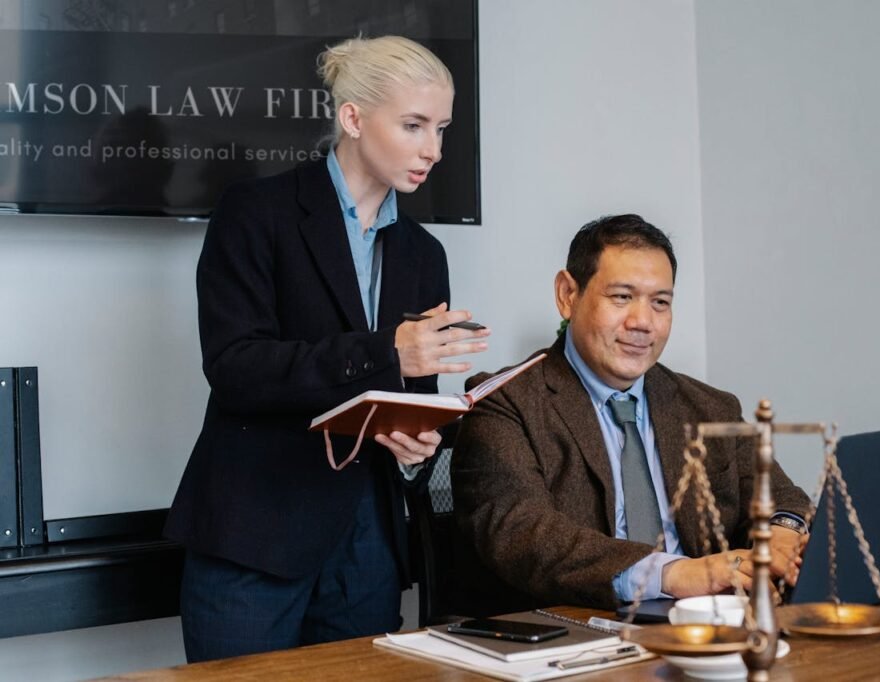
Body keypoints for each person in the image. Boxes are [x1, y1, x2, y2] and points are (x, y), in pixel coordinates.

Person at [164, 35, 488, 662]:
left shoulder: (425, 255)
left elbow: (404, 396)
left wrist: (418, 441)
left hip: (367, 545)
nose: (433, 150)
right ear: (353, 117)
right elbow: (236, 368)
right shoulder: (255, 212)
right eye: (415, 125)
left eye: (442, 129)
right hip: (253, 536)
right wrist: (387, 354)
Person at [451, 214, 811, 610]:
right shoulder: (505, 402)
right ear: (568, 295)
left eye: (660, 302)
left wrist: (783, 532)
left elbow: (784, 496)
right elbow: (522, 534)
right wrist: (674, 574)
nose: (643, 323)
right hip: (575, 632)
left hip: (705, 629)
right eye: (622, 297)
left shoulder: (710, 407)